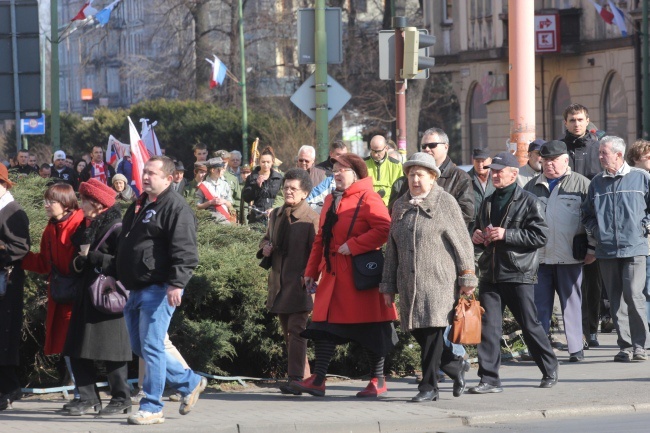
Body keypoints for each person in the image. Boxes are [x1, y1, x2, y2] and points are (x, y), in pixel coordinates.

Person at [290, 154, 398, 398]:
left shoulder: (369, 197)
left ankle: (377, 380)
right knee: (324, 327)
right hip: (332, 276)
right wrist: (311, 271)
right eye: (335, 169)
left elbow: (384, 228)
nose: (336, 173)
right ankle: (318, 380)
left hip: (359, 279)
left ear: (356, 174)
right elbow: (321, 238)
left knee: (372, 330)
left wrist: (356, 244)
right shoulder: (329, 199)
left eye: (342, 170)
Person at [381, 153, 477, 402]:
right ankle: (455, 366)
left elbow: (462, 243)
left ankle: (428, 387)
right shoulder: (401, 204)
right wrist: (388, 285)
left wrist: (467, 276)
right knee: (418, 331)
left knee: (434, 333)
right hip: (409, 283)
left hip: (439, 281)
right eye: (411, 174)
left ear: (433, 177)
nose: (414, 179)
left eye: (420, 174)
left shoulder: (445, 202)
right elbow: (391, 248)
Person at [118, 156, 205, 425]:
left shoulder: (176, 208)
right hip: (136, 287)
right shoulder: (140, 203)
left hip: (159, 288)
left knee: (152, 346)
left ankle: (152, 406)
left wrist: (177, 283)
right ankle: (189, 381)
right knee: (140, 346)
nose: (145, 177)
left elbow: (186, 252)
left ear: (169, 178)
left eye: (152, 173)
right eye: (144, 172)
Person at [469, 151, 558, 394]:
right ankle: (489, 379)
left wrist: (507, 234)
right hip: (491, 274)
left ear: (513, 174)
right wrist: (476, 237)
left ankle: (549, 368)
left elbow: (540, 235)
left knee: (529, 325)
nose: (494, 175)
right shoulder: (487, 201)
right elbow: (478, 231)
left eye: (499, 171)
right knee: (489, 328)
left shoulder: (529, 200)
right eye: (492, 170)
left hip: (518, 272)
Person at [63, 179, 131, 416]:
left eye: (83, 200)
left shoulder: (118, 226)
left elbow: (123, 263)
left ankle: (121, 398)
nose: (80, 204)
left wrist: (94, 258)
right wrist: (79, 262)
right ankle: (88, 397)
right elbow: (77, 258)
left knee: (113, 350)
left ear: (98, 203)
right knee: (76, 347)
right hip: (86, 293)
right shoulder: (87, 225)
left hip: (107, 296)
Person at [581, 136, 650, 363]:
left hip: (634, 248)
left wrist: (645, 226)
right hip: (606, 250)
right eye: (600, 153)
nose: (599, 157)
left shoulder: (641, 178)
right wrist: (597, 231)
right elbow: (587, 214)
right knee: (615, 299)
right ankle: (625, 346)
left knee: (633, 295)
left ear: (618, 155)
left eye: (604, 153)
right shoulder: (597, 183)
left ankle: (640, 345)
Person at [524, 141, 592, 363]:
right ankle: (541, 350)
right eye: (545, 160)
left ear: (565, 160)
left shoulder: (582, 185)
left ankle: (575, 348)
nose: (549, 165)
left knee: (571, 303)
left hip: (570, 256)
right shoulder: (531, 187)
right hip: (540, 258)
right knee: (540, 306)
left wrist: (592, 248)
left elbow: (593, 220)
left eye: (554, 160)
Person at [22, 184, 85, 408]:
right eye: (46, 201)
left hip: (81, 295)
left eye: (52, 201)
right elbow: (44, 263)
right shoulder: (50, 228)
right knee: (69, 346)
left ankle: (89, 395)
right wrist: (18, 255)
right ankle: (81, 395)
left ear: (66, 202)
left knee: (78, 346)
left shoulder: (80, 222)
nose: (46, 205)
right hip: (61, 295)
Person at [259, 169, 320, 394]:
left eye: (293, 188)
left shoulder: (312, 218)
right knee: (289, 333)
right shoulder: (275, 214)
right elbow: (266, 238)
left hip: (301, 285)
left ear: (305, 193)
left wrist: (312, 279)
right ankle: (304, 377)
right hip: (279, 284)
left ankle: (295, 378)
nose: (288, 191)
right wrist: (264, 248)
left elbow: (319, 252)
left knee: (296, 331)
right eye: (286, 187)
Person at [560, 103, 603, 348]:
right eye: (572, 120)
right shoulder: (558, 148)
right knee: (568, 280)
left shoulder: (598, 149)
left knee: (592, 280)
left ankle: (591, 329)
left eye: (580, 119)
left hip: (592, 220)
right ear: (565, 123)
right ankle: (575, 332)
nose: (576, 124)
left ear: (588, 121)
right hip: (564, 221)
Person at [390, 128, 474, 227]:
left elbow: (467, 213)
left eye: (432, 145)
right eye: (424, 146)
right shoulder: (411, 176)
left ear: (446, 147)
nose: (427, 149)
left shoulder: (461, 177)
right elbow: (397, 208)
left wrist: (432, 226)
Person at [0, 164, 30, 411]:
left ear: (3, 184)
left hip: (8, 283)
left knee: (5, 334)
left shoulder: (13, 211)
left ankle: (10, 388)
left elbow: (20, 248)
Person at [626, 139, 650, 325]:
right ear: (635, 158)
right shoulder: (633, 180)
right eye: (648, 157)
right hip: (641, 244)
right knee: (643, 289)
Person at [242, 146, 284, 226]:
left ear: (272, 162)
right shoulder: (252, 177)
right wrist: (256, 186)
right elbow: (246, 197)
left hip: (274, 216)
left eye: (268, 162)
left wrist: (275, 209)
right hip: (257, 216)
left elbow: (282, 197)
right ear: (259, 162)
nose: (265, 165)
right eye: (263, 162)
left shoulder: (279, 178)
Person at [364, 135, 403, 206]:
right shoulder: (363, 164)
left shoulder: (396, 165)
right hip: (367, 207)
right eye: (373, 151)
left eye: (378, 151)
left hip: (390, 208)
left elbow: (400, 191)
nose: (375, 154)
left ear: (386, 148)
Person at [196, 158, 234, 224]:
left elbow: (230, 203)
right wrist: (210, 202)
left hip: (224, 220)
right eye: (221, 169)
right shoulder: (203, 185)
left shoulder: (225, 184)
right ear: (213, 170)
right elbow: (198, 206)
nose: (223, 171)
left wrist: (224, 201)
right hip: (209, 219)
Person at [214, 150, 242, 221]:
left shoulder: (232, 178)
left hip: (229, 215)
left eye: (225, 162)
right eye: (221, 162)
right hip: (212, 214)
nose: (223, 165)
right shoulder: (208, 177)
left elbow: (238, 200)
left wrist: (237, 216)